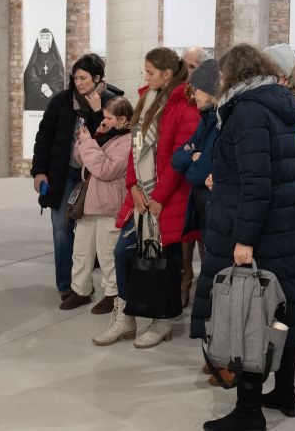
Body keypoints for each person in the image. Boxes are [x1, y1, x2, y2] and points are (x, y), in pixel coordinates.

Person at [193, 43, 295, 431]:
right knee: (280, 311)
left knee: (247, 315)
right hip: (281, 229)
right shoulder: (273, 104)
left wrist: (243, 240)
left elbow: (257, 183)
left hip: (255, 233)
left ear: (232, 74)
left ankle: (248, 412)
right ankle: (285, 392)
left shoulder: (246, 111)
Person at [94, 48, 199, 348]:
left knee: (163, 264)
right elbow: (135, 148)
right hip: (141, 198)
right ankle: (126, 318)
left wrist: (159, 197)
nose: (146, 76)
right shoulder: (145, 100)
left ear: (167, 74)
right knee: (124, 254)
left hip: (167, 200)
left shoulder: (185, 105)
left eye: (150, 72)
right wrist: (132, 186)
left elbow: (180, 159)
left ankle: (162, 322)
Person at [32, 54, 123, 305]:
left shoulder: (112, 102)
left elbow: (113, 140)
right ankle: (67, 286)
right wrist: (39, 171)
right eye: (75, 78)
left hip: (96, 177)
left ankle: (102, 288)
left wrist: (97, 112)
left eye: (83, 78)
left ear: (97, 78)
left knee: (93, 234)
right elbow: (44, 137)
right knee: (62, 229)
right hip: (63, 174)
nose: (78, 82)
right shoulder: (61, 101)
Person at [62, 96, 134, 313]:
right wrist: (84, 141)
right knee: (81, 251)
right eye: (104, 117)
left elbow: (105, 169)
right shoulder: (104, 135)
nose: (104, 121)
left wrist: (88, 144)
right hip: (88, 203)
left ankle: (113, 294)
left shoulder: (128, 141)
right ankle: (80, 290)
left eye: (109, 118)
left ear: (123, 119)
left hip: (109, 206)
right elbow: (83, 160)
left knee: (107, 254)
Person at [171, 59, 220, 313]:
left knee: (214, 265)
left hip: (213, 207)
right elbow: (177, 157)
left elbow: (198, 173)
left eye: (196, 89)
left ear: (211, 91)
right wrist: (193, 155)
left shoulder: (218, 121)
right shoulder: (206, 119)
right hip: (202, 205)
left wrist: (194, 160)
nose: (193, 95)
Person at [179, 46, 210, 304]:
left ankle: (205, 290)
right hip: (183, 179)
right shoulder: (181, 98)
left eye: (191, 66)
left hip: (204, 183)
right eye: (184, 64)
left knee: (205, 240)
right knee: (185, 237)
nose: (186, 71)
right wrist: (190, 155)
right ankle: (185, 283)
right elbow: (179, 152)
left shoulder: (208, 108)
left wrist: (195, 156)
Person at [24, 28, 66, 110]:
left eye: (46, 38)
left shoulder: (55, 58)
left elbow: (59, 76)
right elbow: (30, 75)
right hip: (36, 96)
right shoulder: (35, 57)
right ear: (39, 40)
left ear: (50, 40)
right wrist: (40, 87)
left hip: (51, 93)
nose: (44, 41)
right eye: (42, 38)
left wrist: (49, 86)